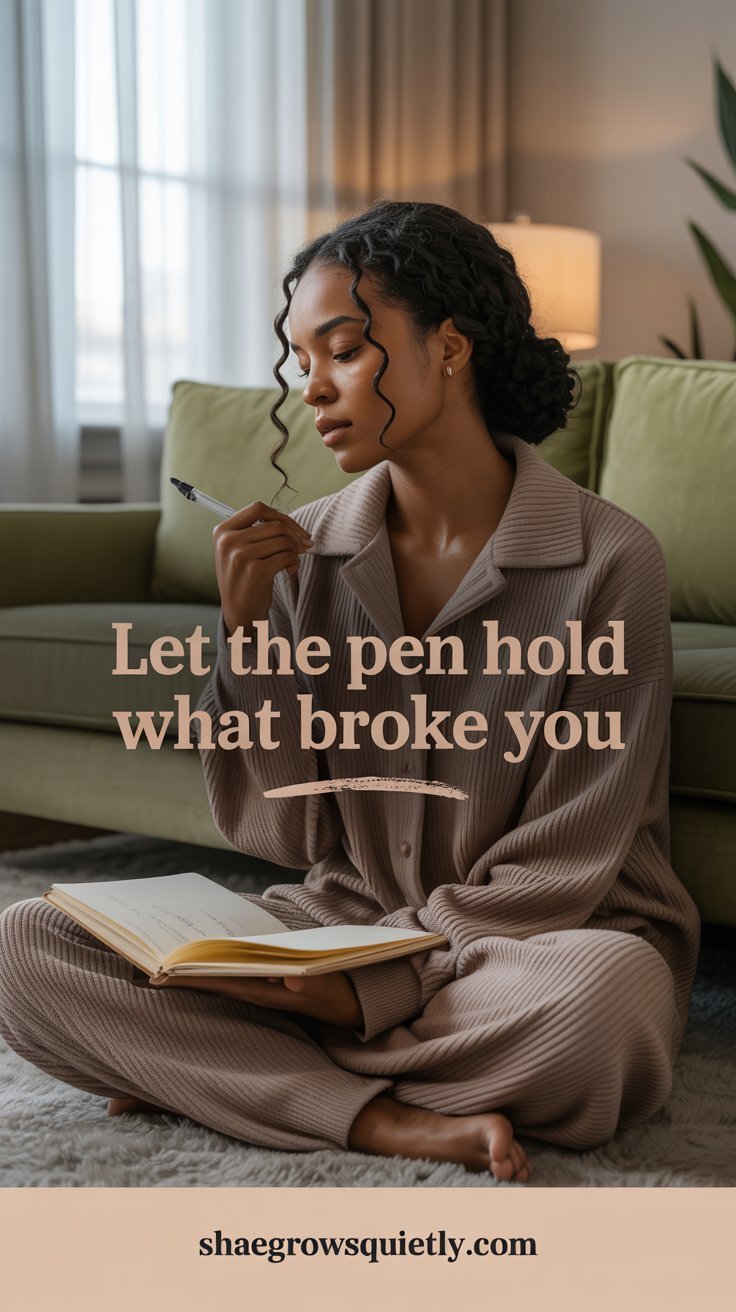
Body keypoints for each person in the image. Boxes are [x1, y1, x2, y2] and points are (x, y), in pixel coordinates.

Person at [0, 199, 701, 1186]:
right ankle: (383, 1118)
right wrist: (247, 636)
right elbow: (282, 834)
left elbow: (566, 858)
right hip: (342, 924)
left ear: (449, 348)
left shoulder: (609, 559)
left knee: (607, 1009)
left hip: (538, 939)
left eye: (341, 351)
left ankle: (233, 1071)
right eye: (299, 360)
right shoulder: (306, 553)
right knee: (29, 940)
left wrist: (380, 979)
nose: (309, 390)